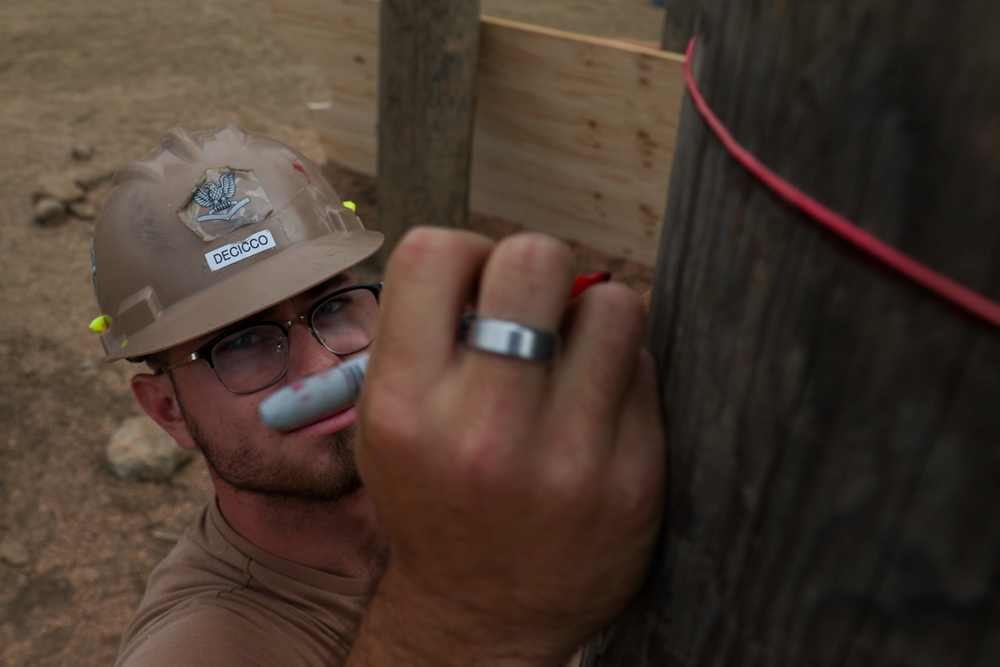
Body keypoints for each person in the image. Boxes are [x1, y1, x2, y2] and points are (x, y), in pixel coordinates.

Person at [90, 124, 665, 667]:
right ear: (169, 411)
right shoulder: (198, 645)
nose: (320, 367)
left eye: (334, 306)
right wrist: (471, 618)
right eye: (242, 343)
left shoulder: (478, 453)